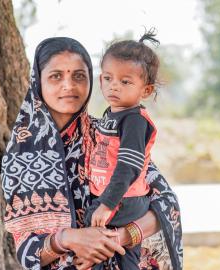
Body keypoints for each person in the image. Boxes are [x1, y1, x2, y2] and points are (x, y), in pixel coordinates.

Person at [0, 37, 182, 270]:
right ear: (38, 82)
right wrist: (68, 239)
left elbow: (165, 204)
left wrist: (118, 239)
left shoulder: (109, 134)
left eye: (78, 76)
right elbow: (26, 253)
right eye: (56, 76)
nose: (69, 85)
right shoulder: (22, 156)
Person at [84, 31, 161, 270]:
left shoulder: (135, 121)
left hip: (123, 200)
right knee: (128, 257)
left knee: (92, 229)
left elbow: (129, 166)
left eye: (125, 82)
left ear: (145, 90)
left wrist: (107, 203)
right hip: (120, 198)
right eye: (108, 78)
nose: (114, 86)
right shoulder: (113, 114)